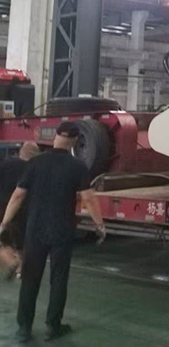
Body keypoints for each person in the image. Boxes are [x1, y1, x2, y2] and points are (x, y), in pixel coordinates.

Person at [0, 122, 106, 343]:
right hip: (62, 231)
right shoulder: (78, 166)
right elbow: (88, 198)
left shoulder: (35, 162)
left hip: (35, 230)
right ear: (75, 142)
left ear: (55, 137)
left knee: (30, 279)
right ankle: (53, 325)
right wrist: (99, 225)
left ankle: (24, 329)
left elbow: (18, 195)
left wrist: (5, 222)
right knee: (58, 280)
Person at [0, 142, 40, 253]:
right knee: (21, 245)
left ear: (21, 152)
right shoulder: (35, 169)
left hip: (3, 207)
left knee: (4, 241)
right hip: (25, 211)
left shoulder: (6, 164)